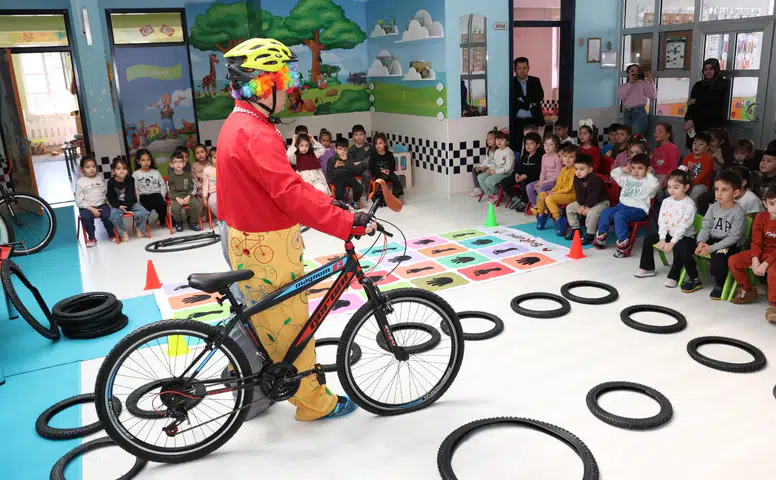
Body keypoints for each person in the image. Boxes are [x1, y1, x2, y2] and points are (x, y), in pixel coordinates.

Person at [218, 37, 371, 421]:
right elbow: (287, 193)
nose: (288, 91)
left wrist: (330, 204)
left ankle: (255, 391)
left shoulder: (238, 122)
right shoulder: (258, 133)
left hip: (247, 237)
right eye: (281, 82)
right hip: (269, 244)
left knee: (262, 321)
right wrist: (345, 223)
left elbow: (287, 183)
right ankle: (313, 404)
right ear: (261, 87)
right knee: (291, 327)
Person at [634, 169, 698, 288]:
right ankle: (648, 268)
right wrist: (662, 239)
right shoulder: (666, 201)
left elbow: (683, 227)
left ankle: (674, 275)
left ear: (686, 187)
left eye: (676, 187)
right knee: (649, 237)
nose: (671, 190)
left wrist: (672, 243)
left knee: (679, 246)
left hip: (685, 237)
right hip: (669, 234)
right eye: (669, 187)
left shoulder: (689, 205)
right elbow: (662, 221)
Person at [691, 170, 746, 299]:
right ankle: (693, 278)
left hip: (731, 244)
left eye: (724, 190)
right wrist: (701, 242)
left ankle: (720, 284)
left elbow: (734, 237)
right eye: (717, 189)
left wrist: (711, 248)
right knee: (689, 247)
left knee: (719, 256)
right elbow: (706, 226)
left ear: (736, 193)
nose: (719, 193)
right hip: (713, 239)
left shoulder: (738, 212)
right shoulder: (713, 207)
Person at [595, 154, 659, 257]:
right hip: (621, 206)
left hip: (638, 209)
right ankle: (601, 236)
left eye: (640, 168)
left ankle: (623, 242)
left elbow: (654, 187)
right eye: (633, 168)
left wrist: (649, 174)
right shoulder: (628, 178)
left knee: (619, 216)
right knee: (606, 213)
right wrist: (623, 169)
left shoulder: (648, 181)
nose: (635, 171)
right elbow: (613, 174)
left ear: (647, 169)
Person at [728, 186, 776, 321]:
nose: (775, 208)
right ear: (765, 203)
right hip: (761, 252)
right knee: (734, 260)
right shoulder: (761, 217)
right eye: (772, 204)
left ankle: (774, 305)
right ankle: (748, 290)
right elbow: (756, 241)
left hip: (774, 256)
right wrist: (755, 260)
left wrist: (764, 265)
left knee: (774, 271)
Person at [684, 58, 730, 149]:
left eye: (711, 69)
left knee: (711, 152)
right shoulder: (698, 85)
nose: (708, 72)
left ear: (716, 69)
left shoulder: (722, 84)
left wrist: (696, 101)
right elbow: (690, 105)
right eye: (706, 69)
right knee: (695, 151)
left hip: (714, 126)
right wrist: (689, 119)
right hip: (697, 125)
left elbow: (716, 103)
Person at [565, 154, 609, 245]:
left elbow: (595, 195)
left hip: (600, 202)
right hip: (586, 202)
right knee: (569, 208)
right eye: (576, 169)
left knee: (592, 213)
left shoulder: (595, 180)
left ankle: (590, 233)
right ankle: (575, 229)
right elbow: (579, 192)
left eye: (582, 169)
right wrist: (581, 205)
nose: (578, 172)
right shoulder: (577, 178)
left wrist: (588, 207)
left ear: (590, 170)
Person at [106, 157, 150, 242]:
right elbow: (110, 197)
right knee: (113, 216)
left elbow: (130, 195)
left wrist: (128, 208)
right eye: (118, 169)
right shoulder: (110, 182)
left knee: (144, 212)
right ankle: (122, 232)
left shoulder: (130, 179)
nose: (122, 171)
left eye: (124, 168)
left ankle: (139, 227)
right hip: (118, 205)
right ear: (113, 171)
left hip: (131, 204)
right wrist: (119, 206)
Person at [536, 144, 577, 231]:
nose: (567, 159)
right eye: (565, 156)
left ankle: (559, 220)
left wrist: (554, 193)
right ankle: (541, 216)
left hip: (571, 195)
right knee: (541, 194)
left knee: (549, 198)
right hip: (561, 193)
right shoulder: (564, 169)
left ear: (576, 159)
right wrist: (551, 191)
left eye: (571, 157)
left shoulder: (575, 170)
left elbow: (569, 188)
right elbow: (558, 185)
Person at [76, 156, 114, 247]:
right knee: (86, 217)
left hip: (101, 204)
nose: (91, 169)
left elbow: (104, 192)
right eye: (88, 167)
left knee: (108, 215)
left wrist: (109, 204)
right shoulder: (80, 182)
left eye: (93, 166)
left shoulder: (99, 178)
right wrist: (92, 209)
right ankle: (92, 237)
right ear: (82, 169)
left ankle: (111, 234)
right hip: (87, 207)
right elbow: (79, 201)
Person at [511, 57, 545, 150]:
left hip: (533, 120)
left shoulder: (535, 81)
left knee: (533, 146)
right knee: (516, 147)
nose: (522, 71)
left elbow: (539, 97)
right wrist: (529, 103)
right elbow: (513, 101)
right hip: (517, 121)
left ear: (528, 68)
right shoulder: (511, 83)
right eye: (519, 68)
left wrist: (522, 99)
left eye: (524, 68)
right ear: (514, 69)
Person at [504, 132, 544, 211]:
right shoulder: (525, 155)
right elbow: (519, 167)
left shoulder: (540, 156)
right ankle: (515, 198)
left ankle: (524, 202)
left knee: (525, 183)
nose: (528, 146)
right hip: (521, 176)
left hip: (532, 178)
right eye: (527, 143)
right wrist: (516, 174)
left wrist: (526, 176)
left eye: (531, 143)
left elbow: (538, 170)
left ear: (537, 145)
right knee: (504, 181)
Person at [167, 152, 203, 232]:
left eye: (180, 162)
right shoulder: (171, 177)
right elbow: (170, 190)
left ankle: (193, 222)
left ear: (184, 164)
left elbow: (193, 187)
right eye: (175, 162)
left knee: (196, 204)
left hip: (188, 195)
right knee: (175, 208)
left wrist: (189, 196)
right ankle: (178, 222)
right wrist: (177, 198)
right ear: (171, 164)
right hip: (176, 197)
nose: (178, 164)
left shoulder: (188, 175)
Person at [617, 64, 656, 137]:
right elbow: (621, 97)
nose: (635, 73)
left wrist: (650, 81)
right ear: (628, 73)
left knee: (636, 137)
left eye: (637, 71)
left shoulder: (643, 84)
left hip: (639, 112)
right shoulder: (623, 86)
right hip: (627, 112)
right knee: (626, 136)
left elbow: (653, 96)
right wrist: (630, 84)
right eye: (632, 71)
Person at [132, 149, 168, 228]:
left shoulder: (155, 171)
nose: (146, 162)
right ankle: (144, 223)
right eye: (143, 160)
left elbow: (162, 184)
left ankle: (162, 220)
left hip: (156, 194)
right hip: (144, 196)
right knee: (144, 211)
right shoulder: (136, 174)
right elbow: (135, 189)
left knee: (162, 206)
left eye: (148, 160)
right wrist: (138, 201)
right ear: (138, 162)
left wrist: (162, 196)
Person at [478, 131, 515, 202]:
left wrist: (495, 171)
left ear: (507, 142)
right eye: (498, 139)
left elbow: (508, 168)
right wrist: (490, 169)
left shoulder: (509, 152)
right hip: (496, 171)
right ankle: (493, 194)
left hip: (506, 174)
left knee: (488, 181)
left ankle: (498, 194)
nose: (499, 141)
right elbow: (494, 163)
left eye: (502, 139)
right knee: (480, 177)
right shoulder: (497, 151)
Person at [527, 135, 562, 209]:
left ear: (556, 147)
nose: (547, 146)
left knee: (540, 188)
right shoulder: (544, 156)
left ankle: (544, 207)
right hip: (545, 180)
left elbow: (557, 175)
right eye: (546, 144)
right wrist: (540, 181)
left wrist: (544, 182)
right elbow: (543, 171)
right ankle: (536, 206)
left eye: (551, 144)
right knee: (529, 187)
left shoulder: (557, 157)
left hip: (554, 181)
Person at [328, 138, 363, 208]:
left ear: (347, 149)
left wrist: (346, 160)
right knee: (339, 190)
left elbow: (353, 170)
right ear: (336, 149)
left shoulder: (349, 157)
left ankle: (355, 201)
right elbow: (329, 172)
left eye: (345, 149)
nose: (342, 152)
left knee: (359, 187)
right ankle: (342, 203)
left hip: (348, 176)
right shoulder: (332, 159)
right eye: (340, 149)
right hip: (337, 177)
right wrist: (332, 181)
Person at [681, 131, 714, 202]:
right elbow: (681, 172)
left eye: (701, 144)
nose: (696, 146)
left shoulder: (708, 159)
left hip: (701, 185)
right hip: (687, 183)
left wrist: (688, 186)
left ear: (707, 147)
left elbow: (701, 176)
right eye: (695, 143)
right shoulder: (687, 157)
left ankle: (691, 210)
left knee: (695, 191)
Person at [369, 133, 404, 199]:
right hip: (378, 174)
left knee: (394, 177)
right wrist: (381, 170)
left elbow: (393, 166)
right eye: (376, 144)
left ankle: (396, 194)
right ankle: (381, 195)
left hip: (388, 172)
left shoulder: (389, 154)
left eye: (380, 143)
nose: (378, 145)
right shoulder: (373, 155)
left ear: (385, 143)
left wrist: (389, 170)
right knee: (383, 177)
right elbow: (371, 167)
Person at [652, 123, 681, 189]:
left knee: (657, 186)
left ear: (667, 135)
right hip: (655, 175)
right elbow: (652, 165)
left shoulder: (672, 148)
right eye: (655, 131)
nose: (656, 133)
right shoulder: (656, 149)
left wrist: (666, 177)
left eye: (660, 132)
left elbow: (674, 167)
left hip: (666, 176)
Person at [471, 128, 498, 197]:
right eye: (488, 139)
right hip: (487, 167)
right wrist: (480, 166)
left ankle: (493, 193)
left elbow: (495, 163)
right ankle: (477, 189)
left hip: (493, 169)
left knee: (483, 172)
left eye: (491, 138)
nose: (488, 141)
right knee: (475, 169)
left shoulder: (498, 151)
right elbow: (486, 160)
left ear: (497, 139)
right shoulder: (489, 149)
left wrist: (485, 167)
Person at [348, 124, 372, 195]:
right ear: (353, 137)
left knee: (366, 174)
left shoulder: (369, 146)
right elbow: (352, 164)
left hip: (367, 169)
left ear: (365, 135)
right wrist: (362, 162)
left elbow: (372, 159)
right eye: (356, 135)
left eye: (361, 134)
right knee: (367, 161)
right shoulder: (351, 149)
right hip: (357, 170)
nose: (359, 137)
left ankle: (369, 192)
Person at [202, 148, 217, 217]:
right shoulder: (207, 170)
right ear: (210, 159)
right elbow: (205, 185)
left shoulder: (224, 167)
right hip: (214, 192)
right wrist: (205, 197)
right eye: (215, 158)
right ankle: (220, 217)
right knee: (212, 202)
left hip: (226, 193)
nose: (218, 159)